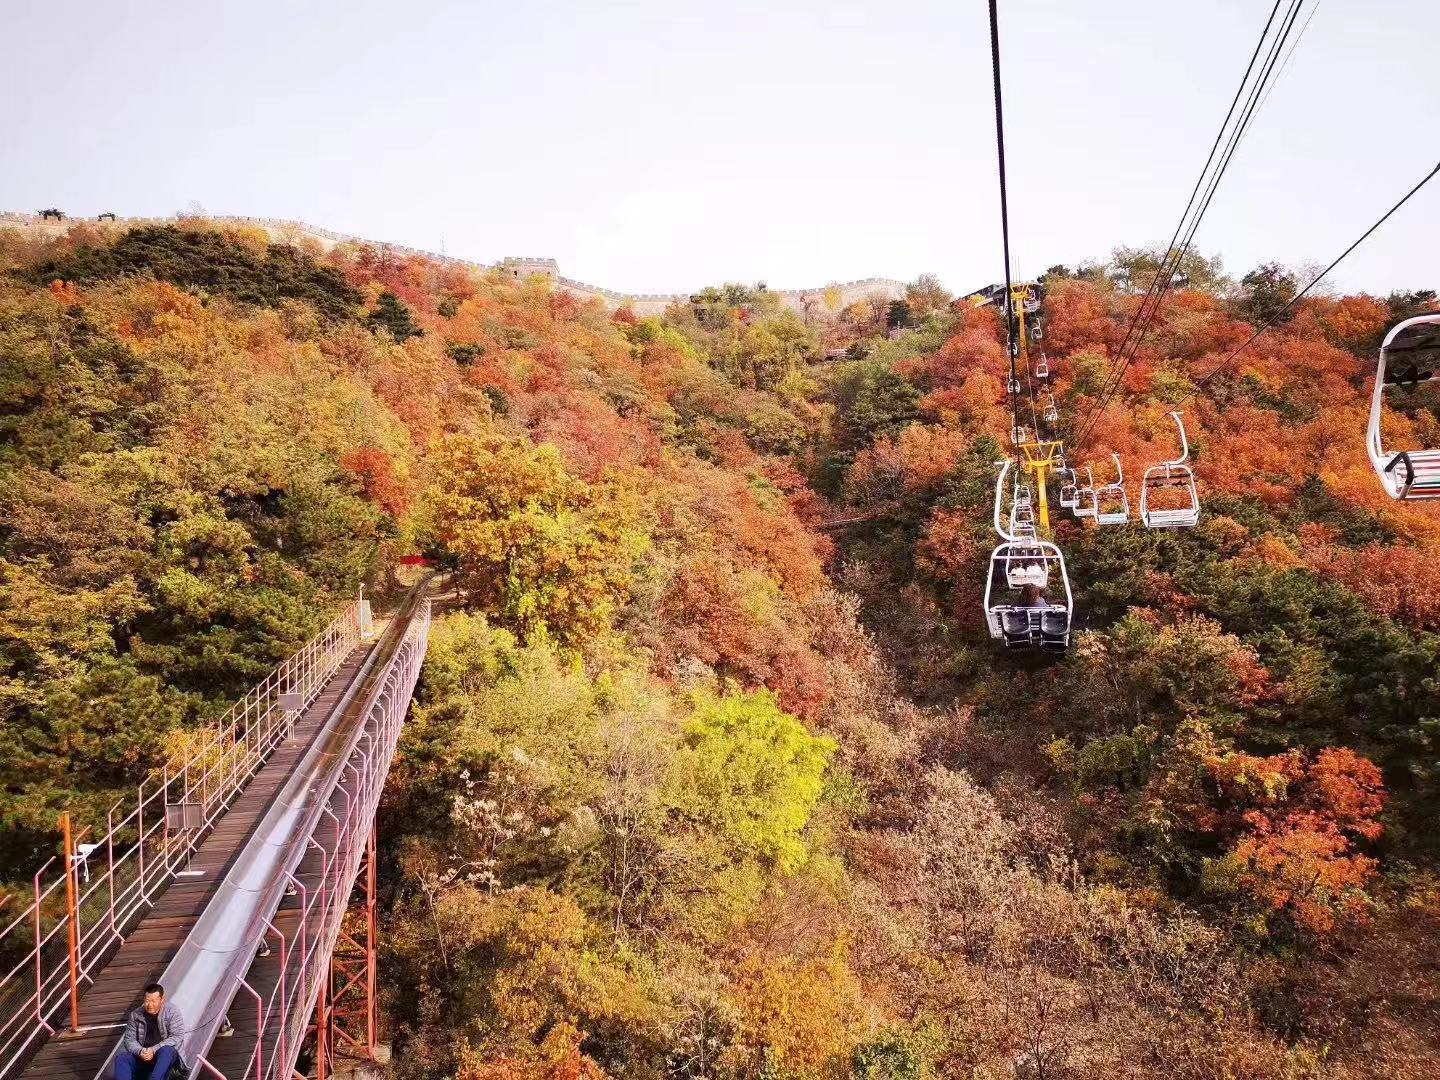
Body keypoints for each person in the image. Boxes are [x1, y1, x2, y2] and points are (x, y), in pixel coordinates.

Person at [116, 983, 185, 1080]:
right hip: (143, 1056)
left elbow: (177, 1036)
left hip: (165, 1058)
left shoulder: (172, 1012)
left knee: (166, 1051)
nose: (150, 1005)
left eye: (154, 1001)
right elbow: (129, 1039)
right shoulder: (135, 1015)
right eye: (147, 1001)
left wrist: (153, 1050)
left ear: (161, 1000)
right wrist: (141, 1051)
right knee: (122, 1058)